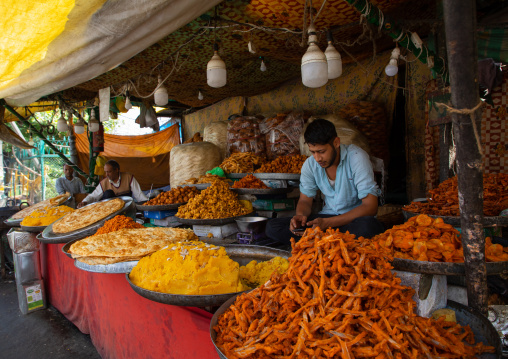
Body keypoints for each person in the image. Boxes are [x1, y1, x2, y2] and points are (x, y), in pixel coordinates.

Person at [265, 119, 384, 245]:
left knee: (368, 228)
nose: (317, 158)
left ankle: (316, 242)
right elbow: (305, 200)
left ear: (336, 142)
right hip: (326, 221)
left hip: (352, 221)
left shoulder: (356, 157)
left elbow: (370, 207)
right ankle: (328, 242)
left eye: (322, 152)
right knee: (272, 227)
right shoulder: (310, 165)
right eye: (313, 152)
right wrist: (300, 216)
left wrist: (328, 223)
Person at [78, 160, 148, 208]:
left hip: (126, 208)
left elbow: (139, 195)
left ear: (116, 170)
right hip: (110, 211)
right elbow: (93, 196)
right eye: (105, 172)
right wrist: (84, 202)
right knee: (108, 193)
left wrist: (148, 204)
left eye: (109, 172)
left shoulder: (128, 178)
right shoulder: (104, 183)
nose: (106, 174)